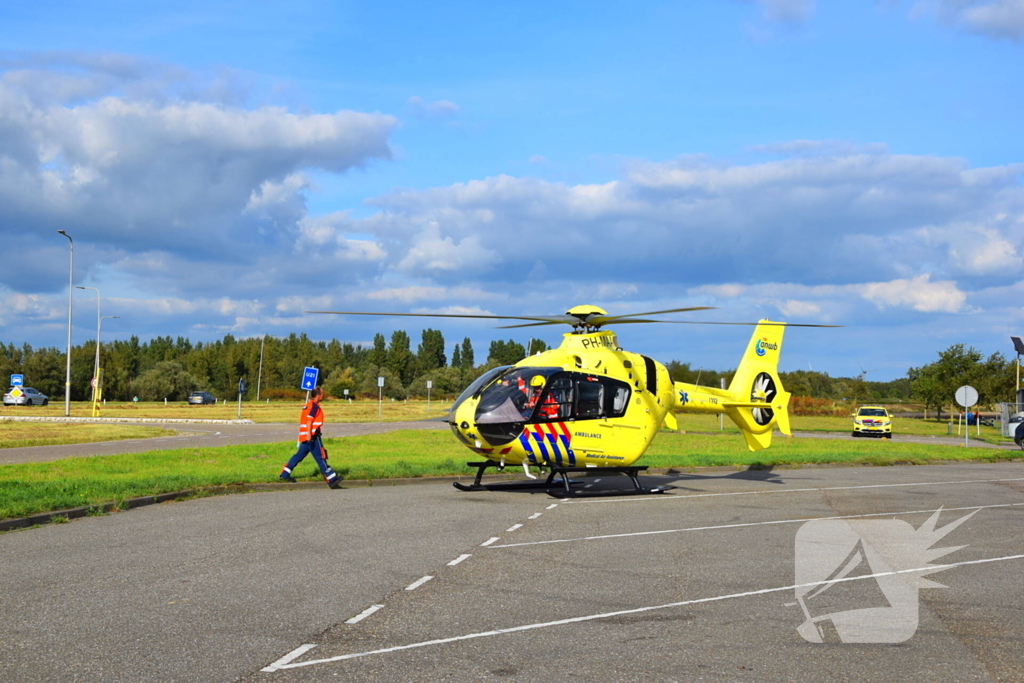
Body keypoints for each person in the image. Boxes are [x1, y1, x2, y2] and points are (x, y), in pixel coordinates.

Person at [279, 387, 342, 488]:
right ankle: (332, 479)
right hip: (312, 437)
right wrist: (309, 434)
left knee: (299, 456)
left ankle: (284, 474)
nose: (323, 396)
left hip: (305, 436)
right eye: (322, 394)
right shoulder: (314, 406)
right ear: (318, 395)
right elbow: (309, 420)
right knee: (321, 457)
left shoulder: (307, 405)